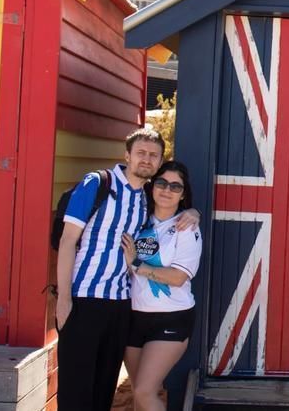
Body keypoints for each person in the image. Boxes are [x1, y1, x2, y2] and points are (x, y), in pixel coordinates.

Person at [55, 128, 197, 410]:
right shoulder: (97, 184)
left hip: (121, 306)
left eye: (153, 155)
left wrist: (194, 213)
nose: (147, 159)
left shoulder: (147, 196)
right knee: (76, 390)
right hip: (84, 299)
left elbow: (175, 209)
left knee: (103, 389)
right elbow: (68, 240)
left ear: (159, 162)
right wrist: (63, 300)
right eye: (141, 153)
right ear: (127, 155)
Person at [121, 160, 202, 411]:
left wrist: (137, 265)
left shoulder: (186, 227)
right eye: (161, 183)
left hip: (171, 319)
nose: (167, 190)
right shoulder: (137, 221)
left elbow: (178, 278)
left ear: (183, 193)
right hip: (134, 317)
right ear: (152, 186)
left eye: (175, 186)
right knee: (139, 394)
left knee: (145, 392)